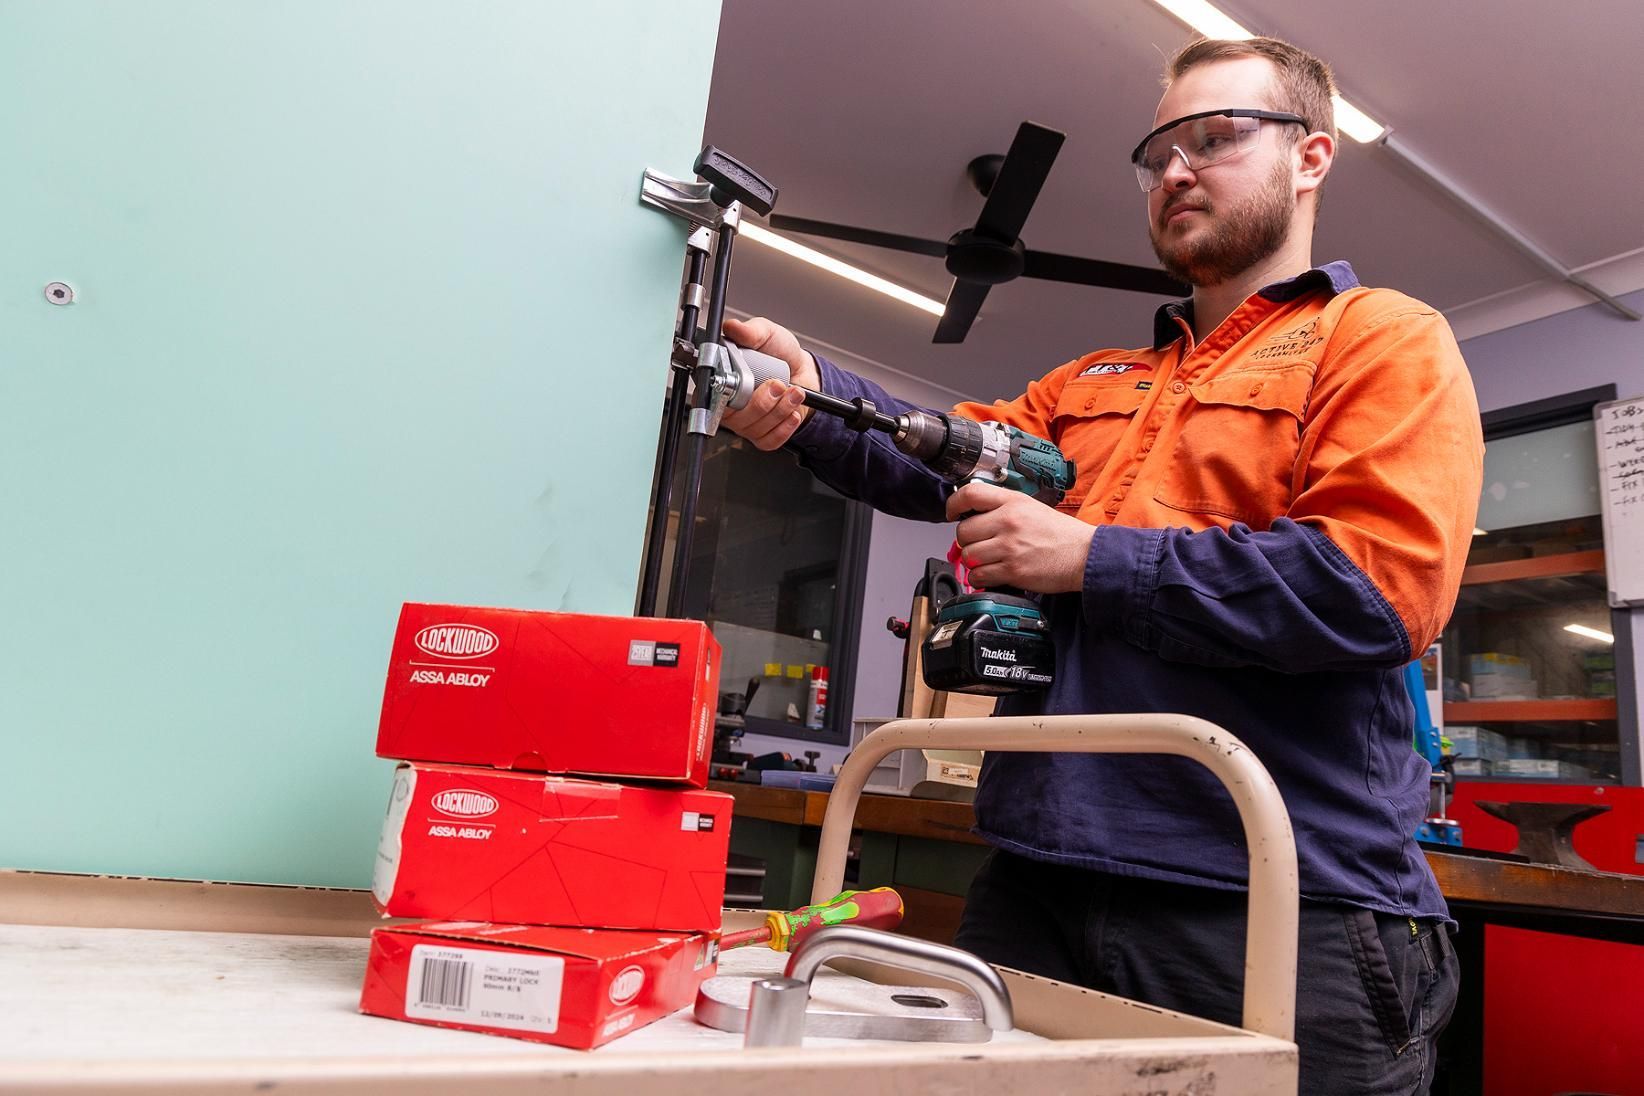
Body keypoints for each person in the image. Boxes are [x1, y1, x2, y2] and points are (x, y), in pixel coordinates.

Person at [722, 35, 1481, 1094]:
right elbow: (938, 447)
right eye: (1158, 150)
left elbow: (1372, 587)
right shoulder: (1091, 383)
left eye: (1217, 137)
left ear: (1312, 158)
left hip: (1278, 900)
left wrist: (1092, 559)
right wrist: (809, 395)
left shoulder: (1380, 339)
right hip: (1039, 878)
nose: (1176, 169)